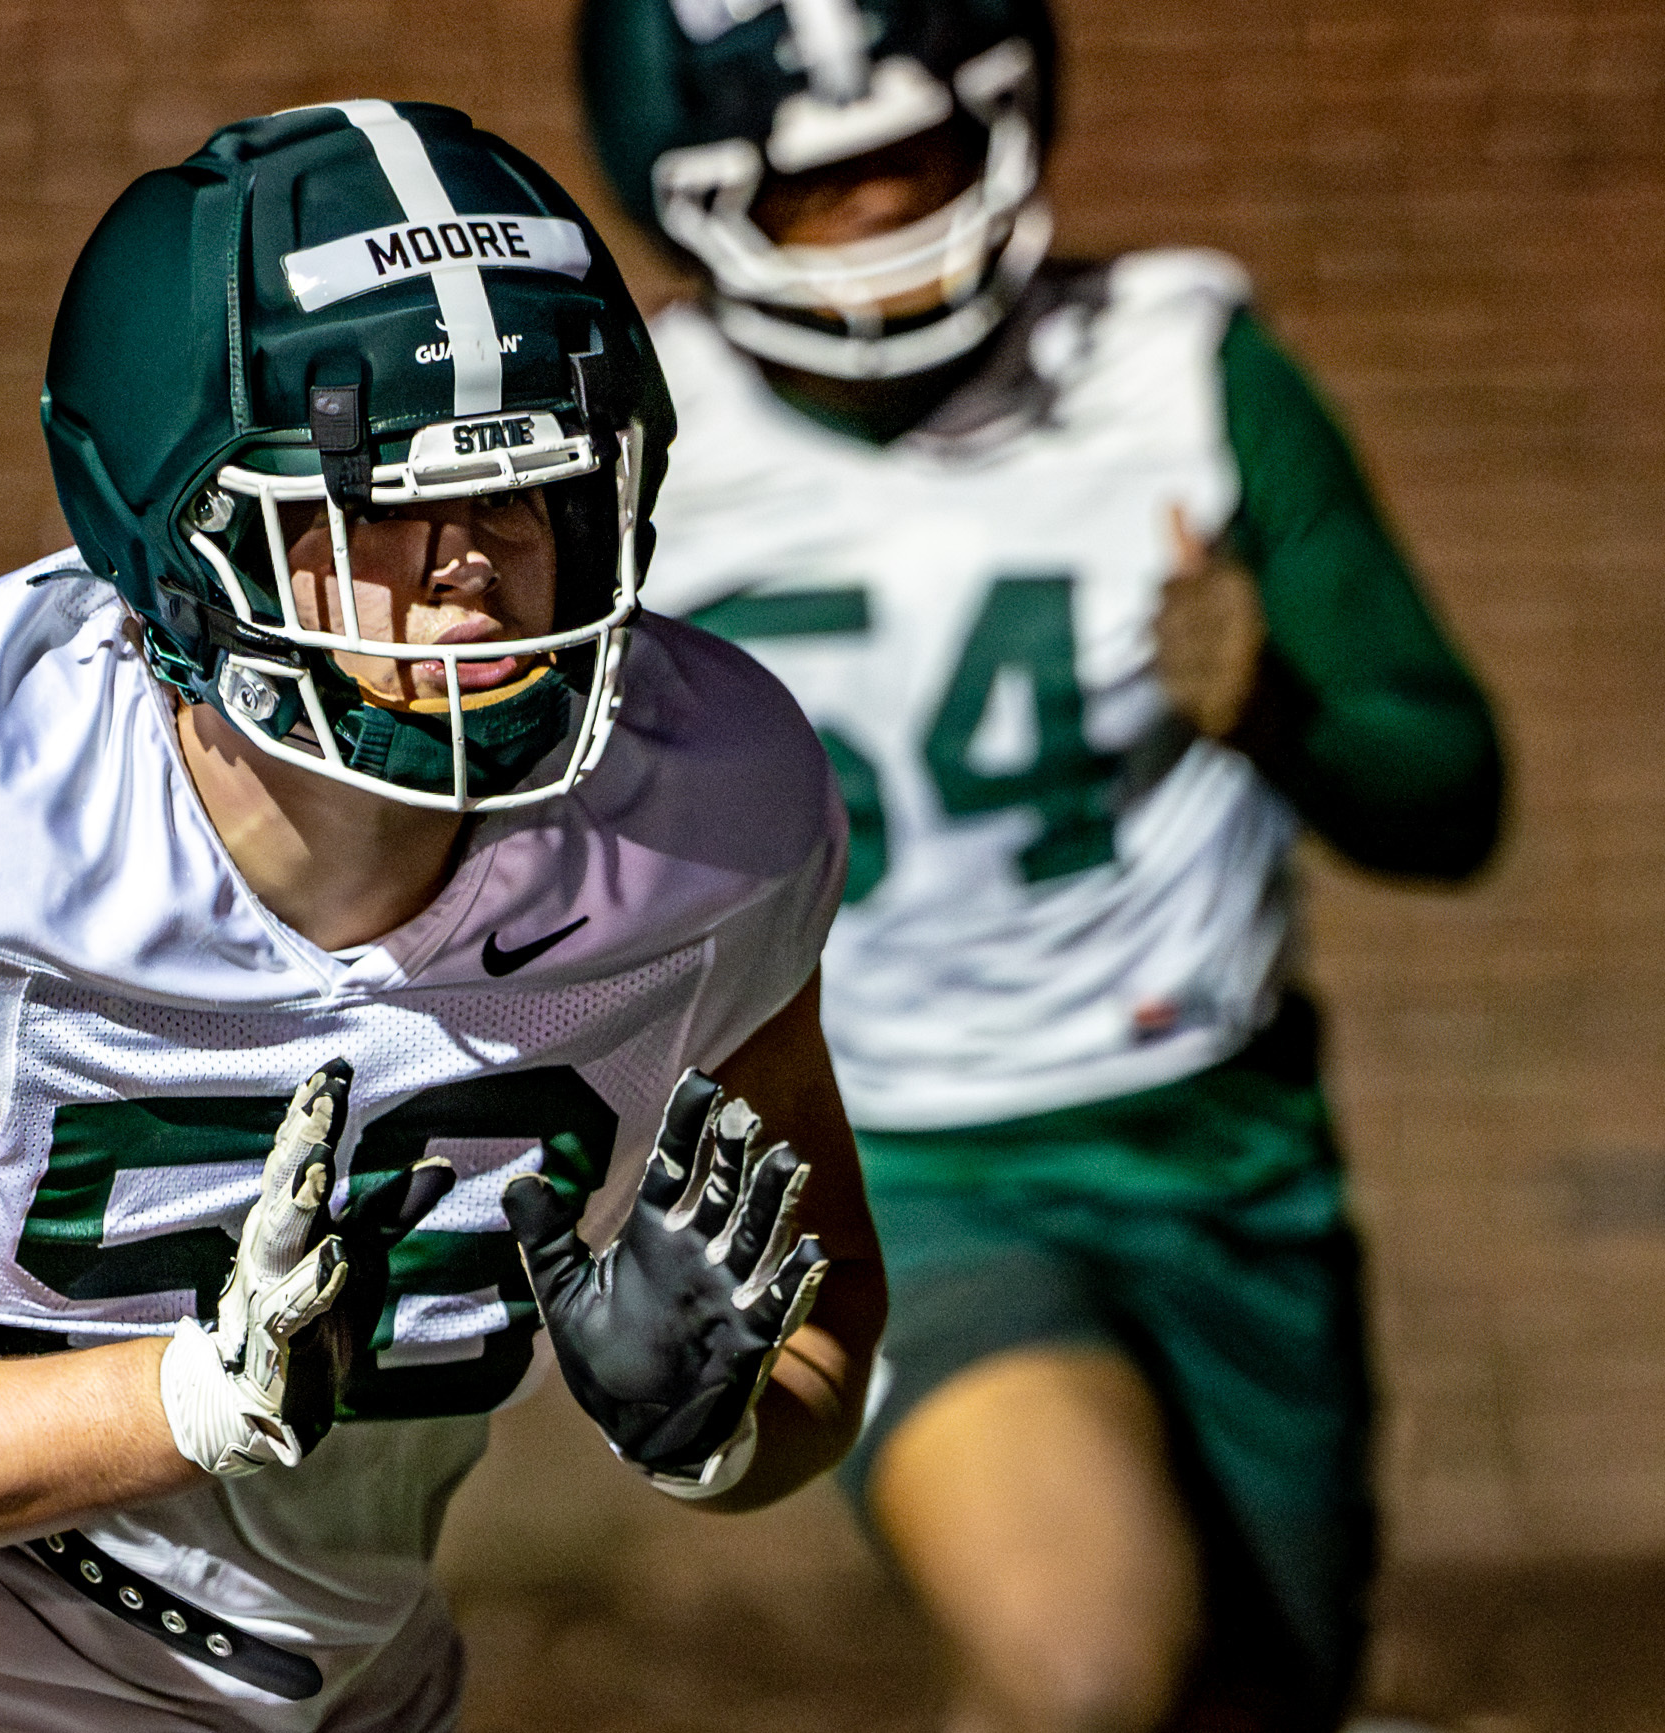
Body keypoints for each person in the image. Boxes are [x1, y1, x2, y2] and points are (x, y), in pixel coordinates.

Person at [0, 101, 884, 1732]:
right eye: (376, 504)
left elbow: (819, 1333)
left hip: (350, 1681)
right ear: (183, 543)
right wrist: (189, 1397)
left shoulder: (707, 821)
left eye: (534, 492)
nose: (472, 567)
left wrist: (717, 1428)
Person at [580, 4, 1505, 1730]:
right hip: (894, 1153)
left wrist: (1281, 710)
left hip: (1217, 1141)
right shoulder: (627, 439)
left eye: (910, 159)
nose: (879, 215)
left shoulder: (1175, 363)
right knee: (1085, 1667)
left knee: (1259, 1695)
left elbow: (1453, 802)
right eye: (816, 186)